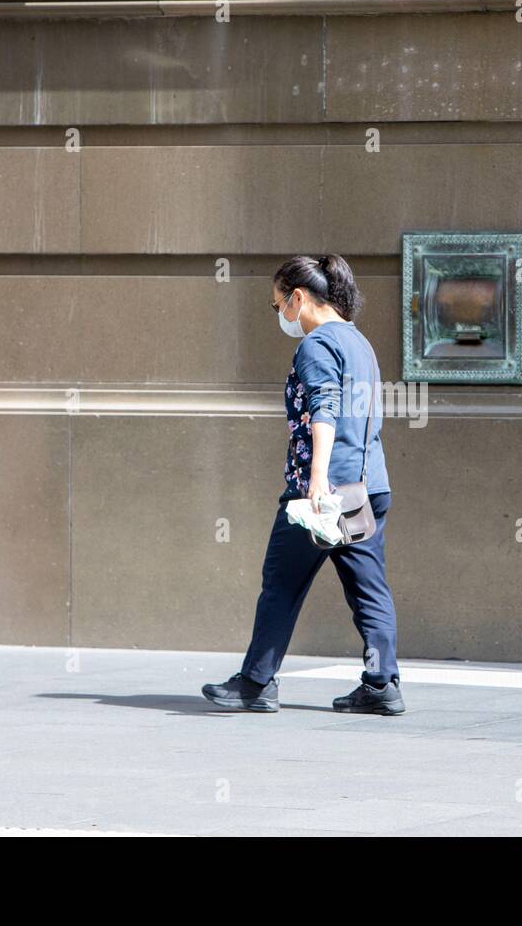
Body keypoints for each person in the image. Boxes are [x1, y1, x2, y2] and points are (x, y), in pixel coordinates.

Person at [202, 254, 405, 715]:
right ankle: (381, 684)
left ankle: (254, 683)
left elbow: (324, 409)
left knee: (281, 585)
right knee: (369, 590)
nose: (281, 317)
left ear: (298, 298)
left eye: (278, 307)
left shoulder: (316, 345)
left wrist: (316, 483)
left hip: (322, 493)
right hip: (366, 485)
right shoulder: (360, 343)